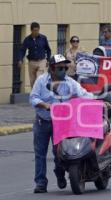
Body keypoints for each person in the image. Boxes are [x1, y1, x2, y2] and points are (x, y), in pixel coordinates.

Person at [29, 54, 95, 193]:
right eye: (60, 68)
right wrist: (45, 105)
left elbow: (84, 94)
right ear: (52, 68)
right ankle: (41, 183)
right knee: (40, 154)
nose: (64, 70)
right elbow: (33, 98)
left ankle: (60, 174)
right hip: (42, 121)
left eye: (65, 67)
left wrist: (99, 101)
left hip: (60, 123)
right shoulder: (41, 81)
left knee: (59, 153)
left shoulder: (70, 82)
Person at [18, 22, 51, 88]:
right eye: (35, 30)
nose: (36, 32)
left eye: (37, 30)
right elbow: (22, 50)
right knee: (32, 81)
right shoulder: (27, 39)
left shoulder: (43, 38)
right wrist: (20, 60)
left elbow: (48, 49)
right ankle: (34, 95)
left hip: (41, 61)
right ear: (31, 30)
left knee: (39, 78)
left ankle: (40, 95)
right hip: (32, 62)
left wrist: (48, 60)